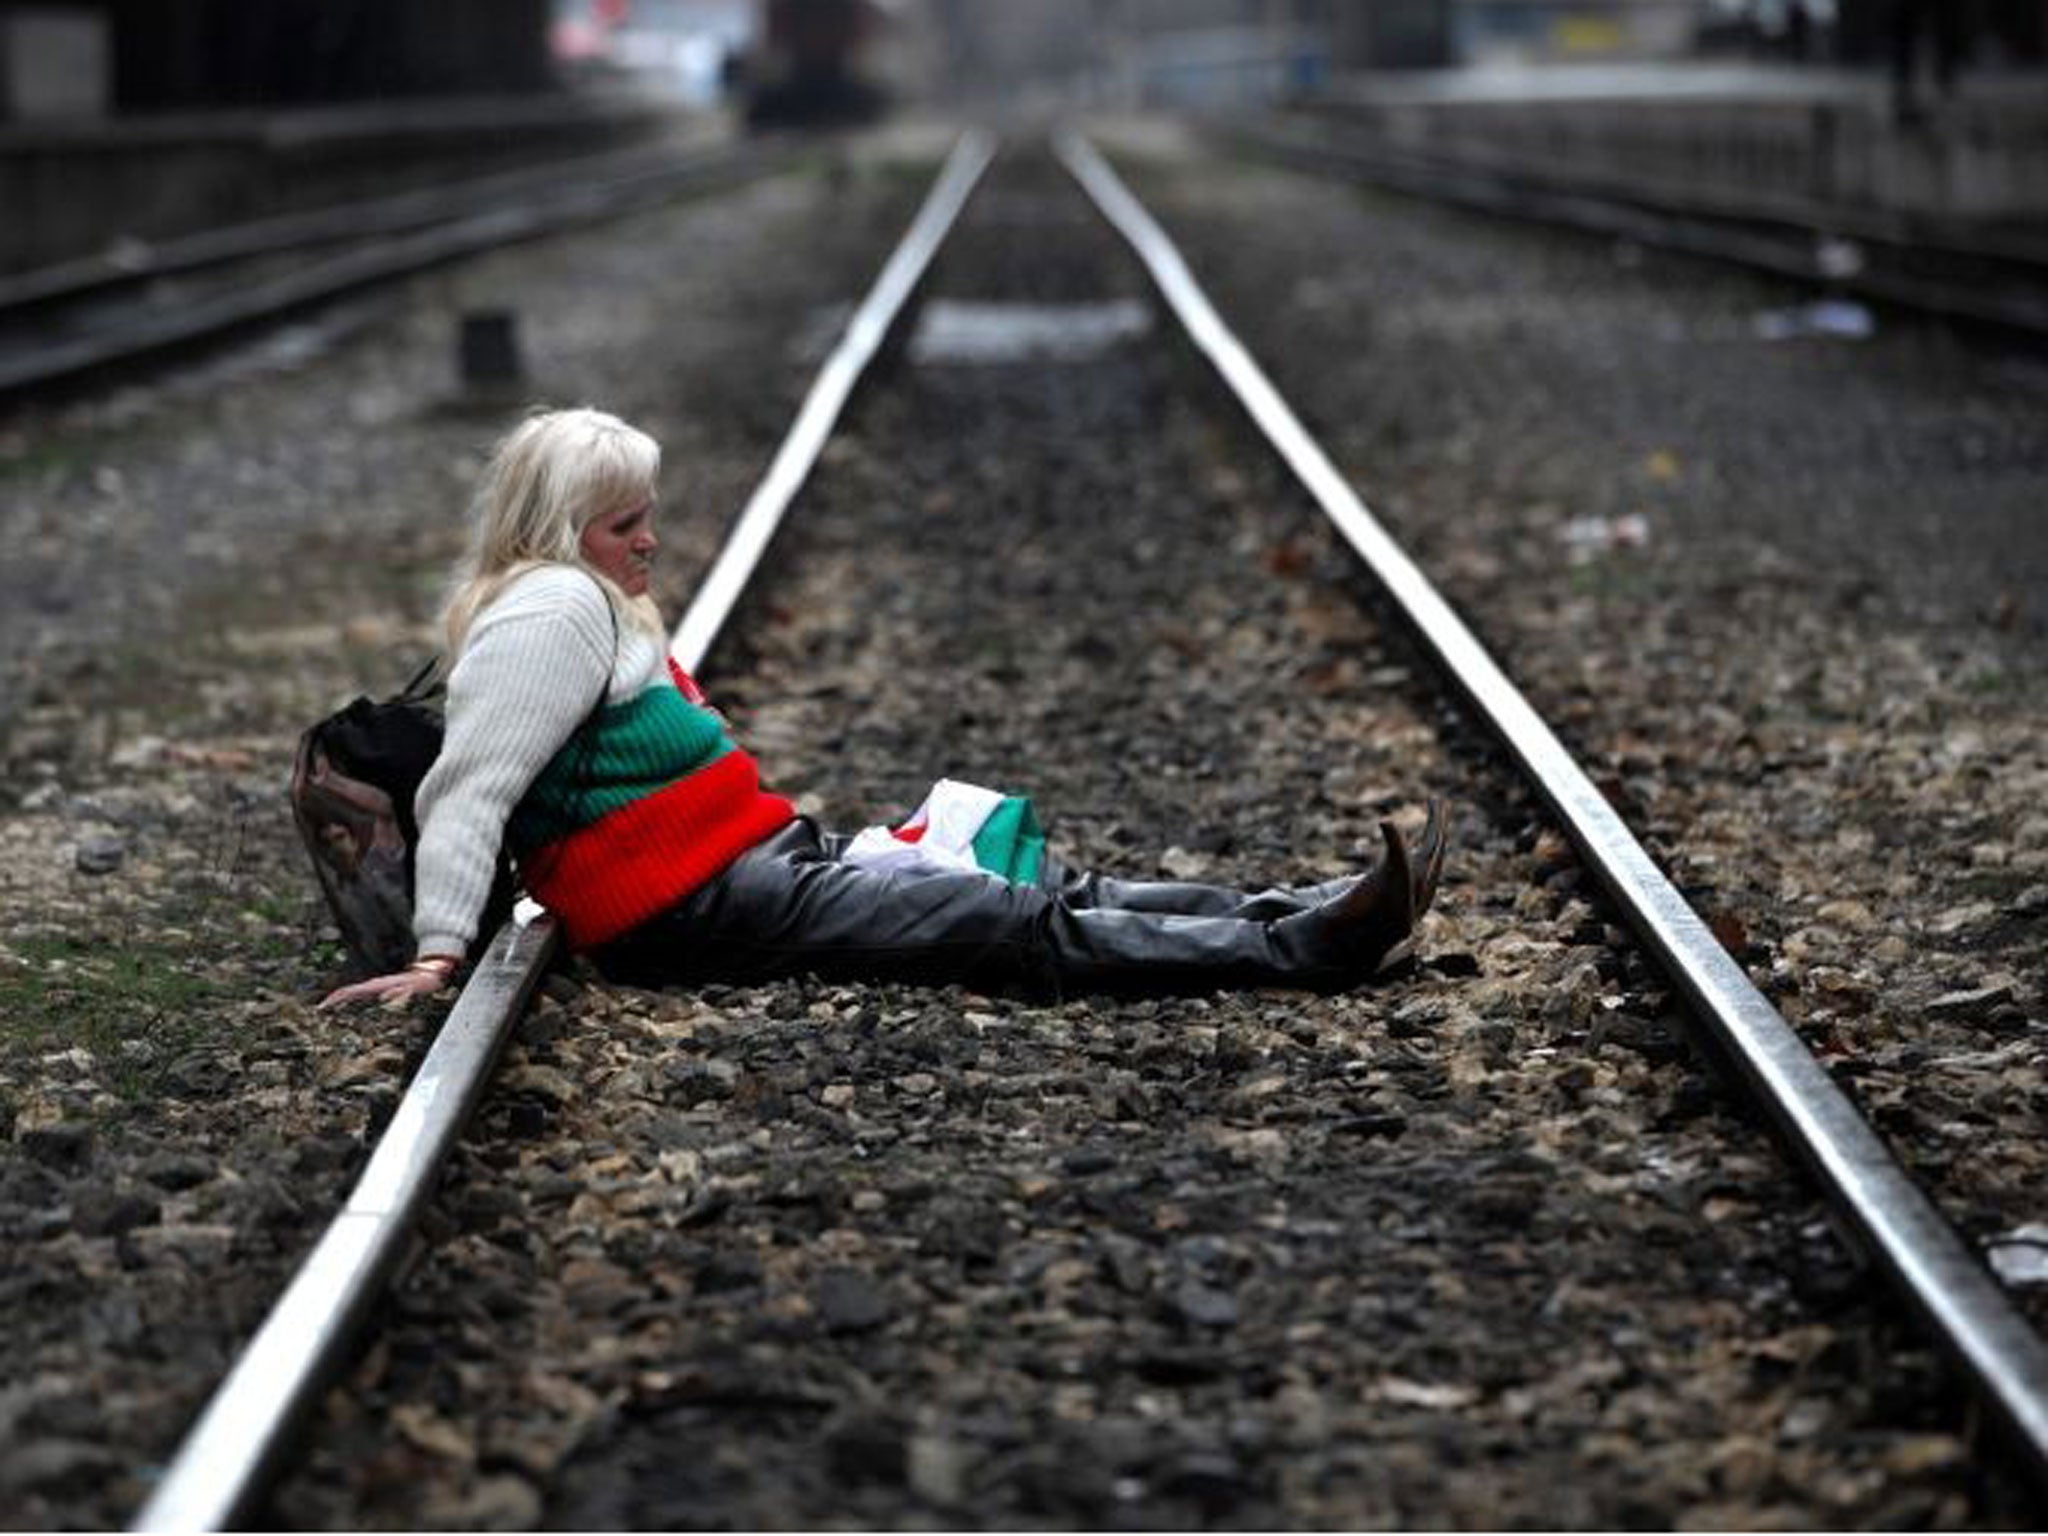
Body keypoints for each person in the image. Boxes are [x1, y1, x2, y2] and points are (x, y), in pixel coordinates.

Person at [320, 408, 1448, 1011]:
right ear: (564, 533)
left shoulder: (589, 600)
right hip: (691, 911)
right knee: (994, 922)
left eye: (645, 518)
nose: (649, 542)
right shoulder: (550, 611)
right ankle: (1302, 950)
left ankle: (1298, 907)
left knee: (1035, 883)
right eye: (625, 526)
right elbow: (472, 785)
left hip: (748, 868)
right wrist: (436, 951)